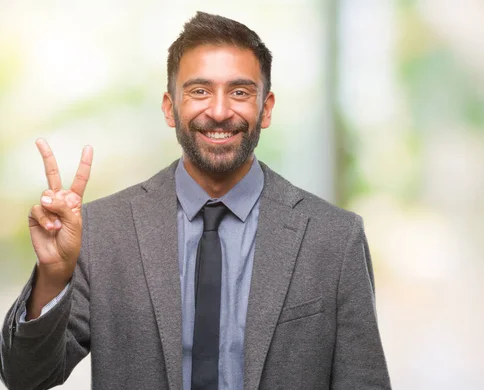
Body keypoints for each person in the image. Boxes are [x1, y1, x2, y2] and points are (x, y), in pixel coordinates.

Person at [0, 11, 390, 390]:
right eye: (199, 91)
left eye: (239, 92)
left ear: (265, 108)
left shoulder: (335, 238)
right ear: (170, 108)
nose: (219, 111)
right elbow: (25, 378)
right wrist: (53, 276)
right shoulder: (103, 231)